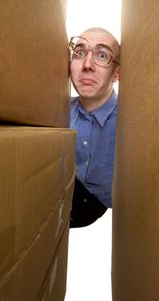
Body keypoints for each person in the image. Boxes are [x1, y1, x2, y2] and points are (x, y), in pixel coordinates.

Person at [68, 27, 120, 228]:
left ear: (117, 74)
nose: (87, 65)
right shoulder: (55, 112)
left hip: (97, 209)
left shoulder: (132, 124)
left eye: (101, 55)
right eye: (79, 53)